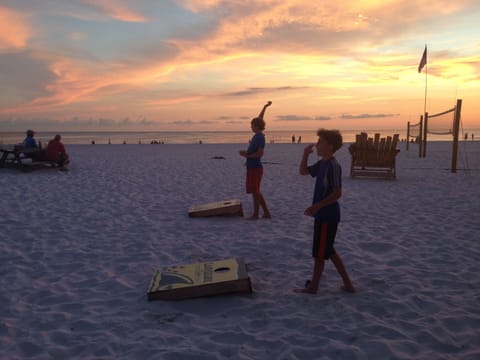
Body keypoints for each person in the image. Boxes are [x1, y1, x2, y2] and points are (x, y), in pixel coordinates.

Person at [294, 129, 355, 294]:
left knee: (320, 253)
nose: (317, 144)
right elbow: (303, 171)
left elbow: (337, 193)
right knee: (328, 250)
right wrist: (305, 154)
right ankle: (348, 285)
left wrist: (316, 207)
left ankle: (314, 286)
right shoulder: (322, 164)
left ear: (330, 145)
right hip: (322, 214)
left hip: (328, 216)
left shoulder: (333, 166)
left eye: (320, 141)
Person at [239, 101, 272, 219]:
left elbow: (260, 154)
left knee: (255, 191)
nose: (250, 127)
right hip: (252, 166)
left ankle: (256, 214)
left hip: (255, 167)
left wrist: (246, 155)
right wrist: (265, 107)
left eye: (252, 125)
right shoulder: (258, 134)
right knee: (256, 190)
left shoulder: (260, 137)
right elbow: (260, 118)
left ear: (257, 127)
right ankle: (266, 213)